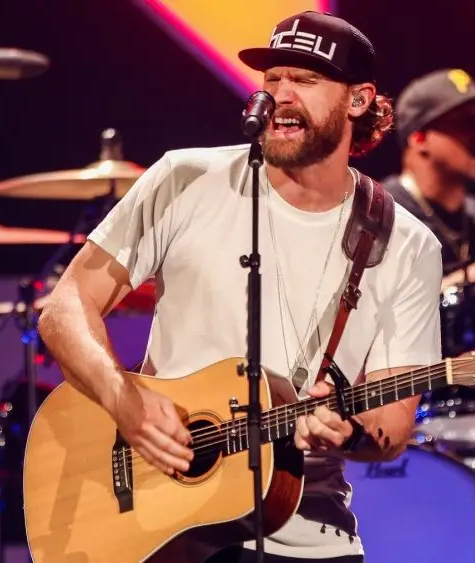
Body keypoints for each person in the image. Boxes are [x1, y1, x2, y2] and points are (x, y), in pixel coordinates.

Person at [37, 10, 443, 563]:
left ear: (358, 100)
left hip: (306, 530)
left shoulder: (406, 243)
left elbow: (391, 427)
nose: (280, 94)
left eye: (304, 80)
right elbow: (65, 306)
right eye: (272, 78)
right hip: (159, 524)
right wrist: (124, 401)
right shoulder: (185, 179)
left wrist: (347, 432)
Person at [381, 69, 475, 292]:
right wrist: (470, 282)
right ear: (420, 139)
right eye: (467, 123)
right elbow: (374, 307)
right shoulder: (381, 213)